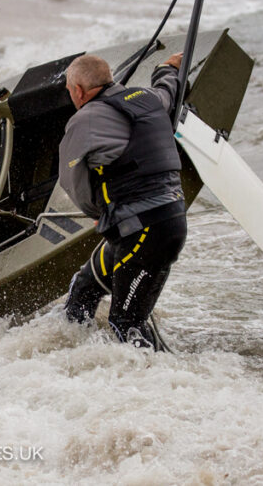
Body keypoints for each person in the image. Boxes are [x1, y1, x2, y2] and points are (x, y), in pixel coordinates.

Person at [60, 52, 188, 350]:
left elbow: (72, 182)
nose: (71, 97)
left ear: (78, 90)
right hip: (159, 224)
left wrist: (97, 212)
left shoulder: (84, 120)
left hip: (145, 231)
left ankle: (167, 385)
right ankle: (75, 359)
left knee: (126, 323)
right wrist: (167, 67)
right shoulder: (148, 99)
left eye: (69, 91)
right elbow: (169, 90)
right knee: (84, 288)